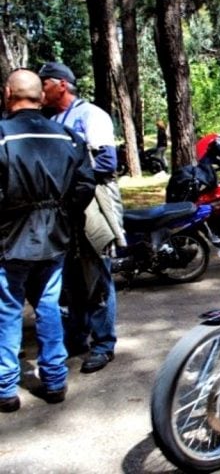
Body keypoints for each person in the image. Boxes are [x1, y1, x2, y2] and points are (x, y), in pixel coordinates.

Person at [0, 69, 96, 412]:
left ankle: (6, 387)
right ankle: (55, 380)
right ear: (41, 96)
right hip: (54, 235)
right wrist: (63, 213)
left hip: (10, 238)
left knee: (8, 309)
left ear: (8, 92)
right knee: (48, 306)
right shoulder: (67, 136)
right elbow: (86, 184)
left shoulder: (2, 134)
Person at [40, 61, 125, 373]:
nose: (40, 88)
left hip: (94, 204)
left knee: (97, 274)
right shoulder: (52, 118)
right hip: (66, 207)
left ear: (61, 84)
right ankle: (77, 336)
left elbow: (106, 162)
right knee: (72, 276)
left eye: (44, 82)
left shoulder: (90, 115)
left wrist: (64, 177)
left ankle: (104, 344)